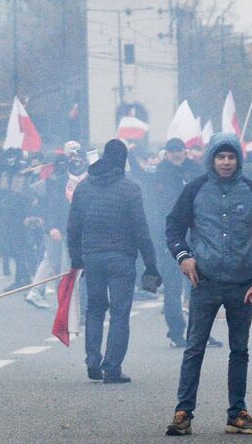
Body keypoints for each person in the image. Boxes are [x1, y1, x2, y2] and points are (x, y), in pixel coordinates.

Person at [164, 132, 252, 436]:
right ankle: (183, 412)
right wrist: (183, 257)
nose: (226, 162)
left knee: (239, 350)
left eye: (231, 157)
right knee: (194, 347)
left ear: (238, 159)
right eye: (220, 157)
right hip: (205, 282)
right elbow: (173, 228)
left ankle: (237, 413)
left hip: (243, 285)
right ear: (211, 159)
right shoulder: (194, 190)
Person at [68, 139, 162, 383]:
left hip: (92, 257)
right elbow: (141, 230)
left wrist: (77, 259)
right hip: (122, 258)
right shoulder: (130, 188)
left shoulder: (84, 187)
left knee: (95, 309)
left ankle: (92, 360)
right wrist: (151, 264)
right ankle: (112, 367)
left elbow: (73, 227)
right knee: (120, 312)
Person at [148, 138, 198, 346]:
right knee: (172, 287)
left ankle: (198, 330)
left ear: (185, 152)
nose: (176, 154)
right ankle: (176, 332)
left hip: (195, 235)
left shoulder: (196, 172)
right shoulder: (159, 174)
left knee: (198, 286)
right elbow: (155, 208)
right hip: (170, 237)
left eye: (179, 150)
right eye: (172, 151)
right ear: (166, 154)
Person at [26, 142, 84, 309]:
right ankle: (57, 297)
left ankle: (39, 291)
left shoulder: (68, 174)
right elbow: (54, 203)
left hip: (61, 224)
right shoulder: (57, 178)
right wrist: (52, 225)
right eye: (71, 155)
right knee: (57, 262)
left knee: (52, 260)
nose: (74, 159)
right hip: (56, 225)